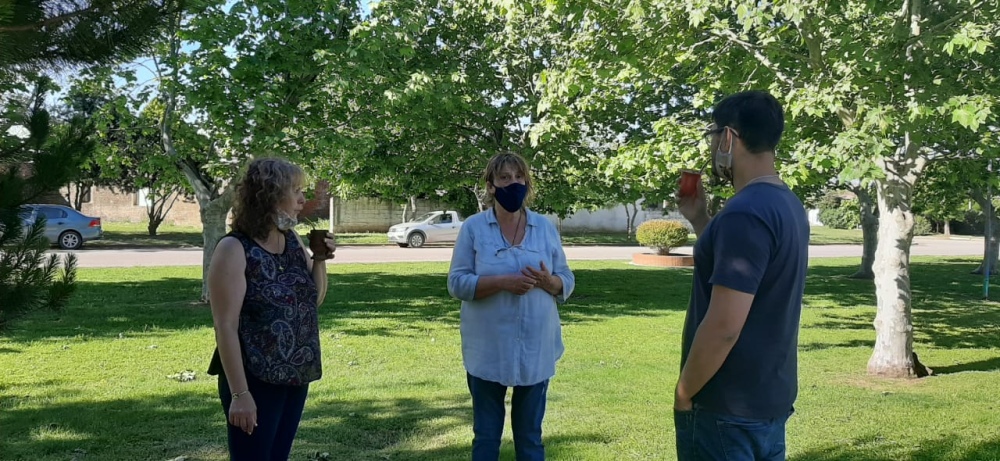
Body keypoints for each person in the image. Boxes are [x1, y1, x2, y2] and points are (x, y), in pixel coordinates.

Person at [673, 90, 809, 460]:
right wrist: (701, 219)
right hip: (767, 399)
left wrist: (685, 391)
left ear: (729, 137)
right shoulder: (786, 203)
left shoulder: (744, 213)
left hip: (726, 408)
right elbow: (747, 271)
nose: (712, 145)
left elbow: (724, 327)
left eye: (713, 135)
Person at [447, 151, 576, 461]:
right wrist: (503, 282)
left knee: (531, 438)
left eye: (519, 178)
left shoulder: (544, 227)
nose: (513, 184)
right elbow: (457, 283)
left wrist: (549, 282)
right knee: (487, 437)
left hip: (535, 347)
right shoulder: (474, 228)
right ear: (491, 186)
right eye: (504, 178)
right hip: (488, 349)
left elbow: (566, 279)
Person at [206, 157, 335, 461]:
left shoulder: (290, 239)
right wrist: (240, 394)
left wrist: (319, 259)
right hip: (254, 379)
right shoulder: (234, 249)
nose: (303, 200)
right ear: (270, 195)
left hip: (294, 374)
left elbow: (312, 300)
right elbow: (225, 326)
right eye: (296, 191)